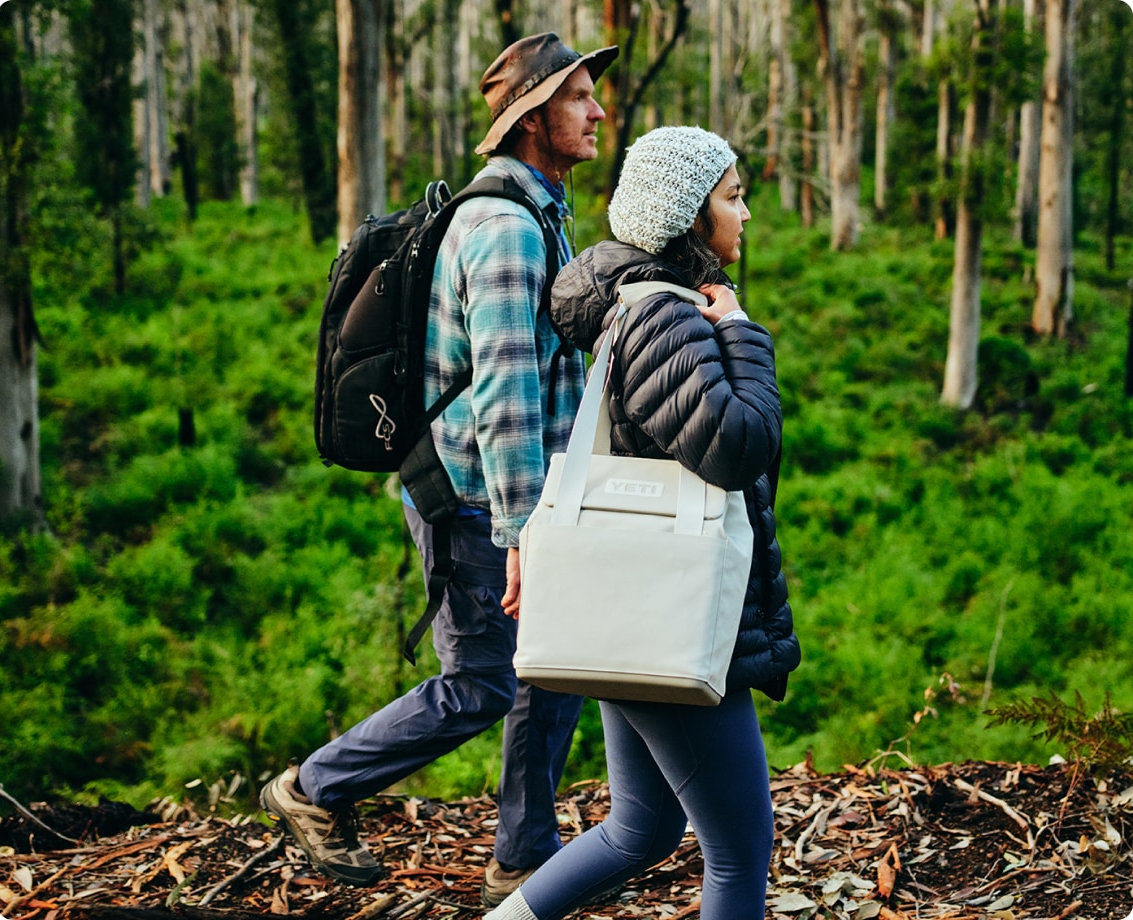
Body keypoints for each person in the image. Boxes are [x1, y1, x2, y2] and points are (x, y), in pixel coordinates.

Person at [260, 32, 619, 907]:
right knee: (482, 683)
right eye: (577, 96)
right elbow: (503, 397)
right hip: (474, 499)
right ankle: (313, 788)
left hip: (513, 494)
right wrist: (526, 534)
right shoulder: (503, 230)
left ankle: (524, 851)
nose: (597, 109)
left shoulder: (542, 212)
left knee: (556, 663)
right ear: (532, 118)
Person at [482, 126, 802, 920]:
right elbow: (735, 445)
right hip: (674, 612)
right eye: (733, 198)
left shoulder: (652, 308)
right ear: (691, 217)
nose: (746, 213)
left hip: (638, 601)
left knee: (642, 827)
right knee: (738, 853)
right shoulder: (668, 318)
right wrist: (741, 334)